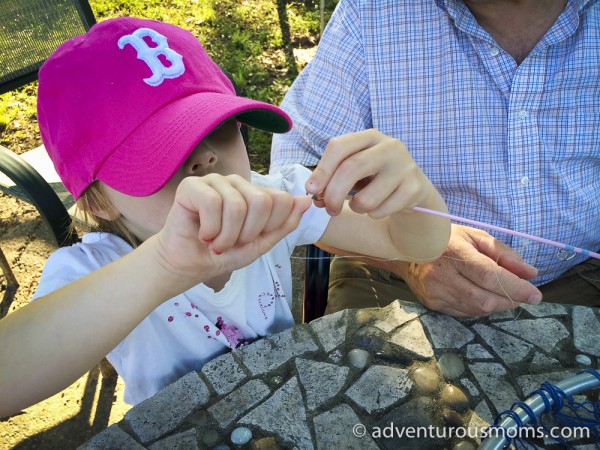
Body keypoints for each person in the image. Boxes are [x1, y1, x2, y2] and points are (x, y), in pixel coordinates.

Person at [0, 17, 450, 417]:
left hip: (290, 410)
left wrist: (412, 198)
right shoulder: (93, 269)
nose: (203, 158)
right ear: (99, 202)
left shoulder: (276, 199)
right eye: (155, 153)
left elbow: (413, 244)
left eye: (214, 125)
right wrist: (164, 266)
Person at [271, 0, 600, 317]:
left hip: (583, 277)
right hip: (395, 280)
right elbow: (297, 176)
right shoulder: (370, 10)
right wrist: (408, 257)